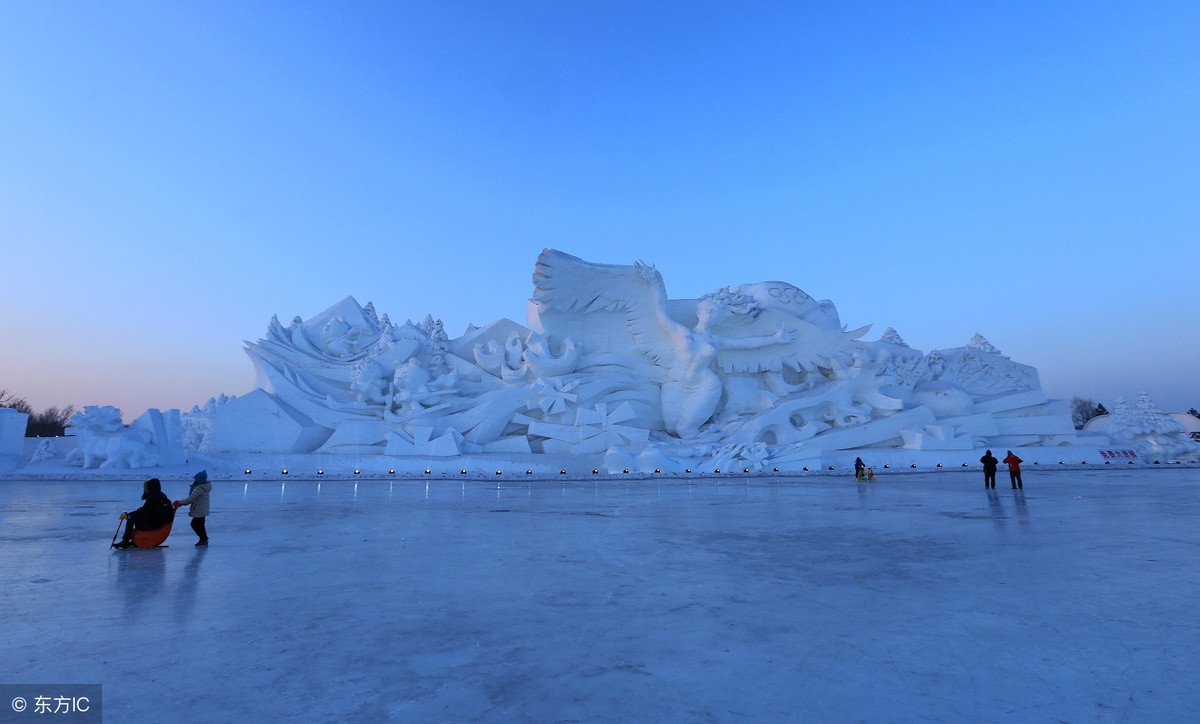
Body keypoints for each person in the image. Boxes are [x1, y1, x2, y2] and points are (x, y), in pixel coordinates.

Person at [113, 478, 174, 549]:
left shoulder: (152, 497)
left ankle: (125, 541)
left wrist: (129, 515)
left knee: (131, 519)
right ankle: (134, 540)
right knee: (135, 517)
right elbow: (147, 510)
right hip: (159, 523)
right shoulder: (163, 497)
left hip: (154, 525)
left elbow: (144, 511)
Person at [174, 470, 212, 547]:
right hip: (202, 509)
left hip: (199, 509)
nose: (194, 480)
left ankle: (203, 539)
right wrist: (183, 503)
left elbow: (191, 498)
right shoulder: (204, 486)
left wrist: (180, 502)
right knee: (200, 525)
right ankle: (203, 539)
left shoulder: (199, 488)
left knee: (195, 524)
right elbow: (194, 499)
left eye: (196, 479)